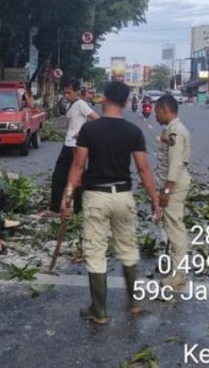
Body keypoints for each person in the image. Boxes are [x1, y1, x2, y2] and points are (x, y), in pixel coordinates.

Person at [61, 81, 161, 325]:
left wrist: (68, 196)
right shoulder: (133, 131)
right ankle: (134, 303)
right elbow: (143, 169)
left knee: (96, 252)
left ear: (104, 98)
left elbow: (78, 165)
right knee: (127, 248)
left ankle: (100, 311)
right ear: (127, 102)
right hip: (123, 196)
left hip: (96, 196)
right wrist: (156, 200)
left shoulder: (90, 130)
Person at [154, 94, 191, 290]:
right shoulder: (171, 130)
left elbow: (175, 164)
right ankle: (176, 268)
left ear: (165, 110)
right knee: (173, 226)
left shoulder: (175, 132)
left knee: (176, 229)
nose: (155, 116)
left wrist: (166, 191)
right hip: (173, 183)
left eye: (156, 112)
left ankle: (179, 275)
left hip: (174, 185)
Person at [50, 79, 99, 213]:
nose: (66, 95)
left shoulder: (81, 104)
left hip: (75, 147)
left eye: (69, 93)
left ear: (77, 92)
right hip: (67, 144)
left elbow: (97, 120)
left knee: (75, 178)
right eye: (65, 93)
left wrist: (83, 133)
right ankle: (56, 207)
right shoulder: (70, 105)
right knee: (60, 176)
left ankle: (78, 208)